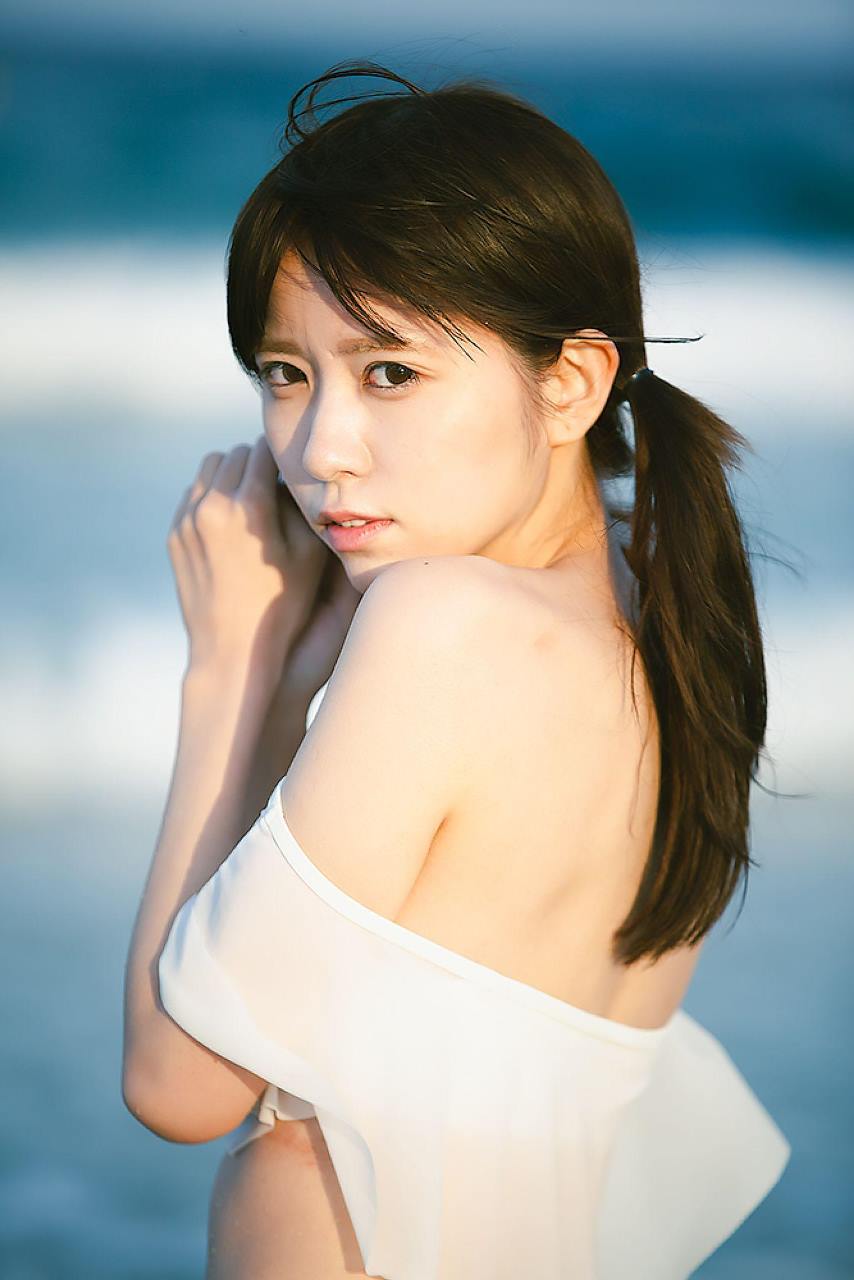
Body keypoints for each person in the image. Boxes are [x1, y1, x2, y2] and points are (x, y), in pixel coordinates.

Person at [121, 60, 791, 1279]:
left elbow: (178, 1081)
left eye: (391, 372)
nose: (320, 448)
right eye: (284, 373)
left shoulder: (442, 623)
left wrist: (229, 668)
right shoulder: (668, 619)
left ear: (568, 382)